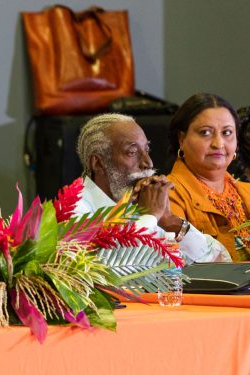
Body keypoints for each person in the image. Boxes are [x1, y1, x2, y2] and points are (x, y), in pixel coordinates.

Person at [74, 113, 229, 263]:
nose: (148, 163)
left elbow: (220, 260)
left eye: (146, 150)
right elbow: (106, 273)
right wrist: (149, 217)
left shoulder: (141, 203)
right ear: (98, 163)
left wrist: (170, 221)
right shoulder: (74, 210)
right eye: (132, 152)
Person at [167, 93, 250, 260]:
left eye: (227, 132)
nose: (218, 143)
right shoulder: (167, 195)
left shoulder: (246, 190)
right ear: (182, 139)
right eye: (205, 133)